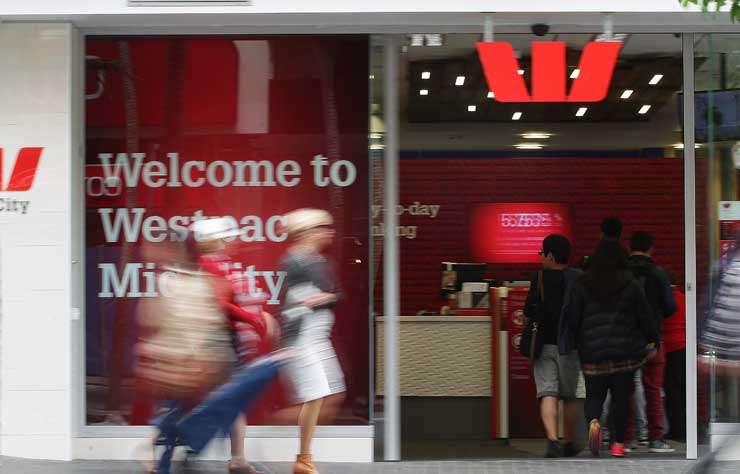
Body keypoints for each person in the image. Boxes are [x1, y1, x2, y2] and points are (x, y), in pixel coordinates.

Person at [192, 218, 278, 474]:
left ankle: (238, 457)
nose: (234, 242)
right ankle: (158, 447)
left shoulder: (218, 265)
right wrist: (254, 319)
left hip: (221, 340)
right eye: (229, 238)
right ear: (218, 241)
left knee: (233, 398)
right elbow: (220, 305)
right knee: (214, 398)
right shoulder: (210, 265)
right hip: (216, 341)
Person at [565, 239, 659, 458]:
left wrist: (577, 340)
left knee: (594, 395)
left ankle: (595, 422)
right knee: (621, 398)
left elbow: (573, 318)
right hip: (624, 352)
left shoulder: (582, 283)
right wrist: (653, 340)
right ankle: (617, 444)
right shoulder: (630, 283)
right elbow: (644, 316)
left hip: (592, 352)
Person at [279, 208, 346, 474]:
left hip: (319, 338)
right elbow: (291, 307)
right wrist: (313, 301)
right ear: (308, 232)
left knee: (333, 395)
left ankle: (286, 432)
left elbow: (337, 294)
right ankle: (303, 458)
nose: (329, 232)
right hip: (303, 339)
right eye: (323, 228)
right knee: (317, 395)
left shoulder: (320, 261)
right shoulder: (295, 261)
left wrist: (323, 299)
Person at [523, 234, 582, 458]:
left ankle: (551, 440)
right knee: (568, 396)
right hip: (569, 345)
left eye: (542, 253)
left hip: (544, 344)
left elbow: (529, 310)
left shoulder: (538, 278)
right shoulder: (578, 278)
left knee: (547, 392)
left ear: (550, 255)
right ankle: (567, 441)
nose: (541, 258)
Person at [624, 231, 677, 453]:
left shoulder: (622, 271)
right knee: (653, 389)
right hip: (653, 340)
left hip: (625, 340)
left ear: (630, 248)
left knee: (625, 389)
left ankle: (625, 440)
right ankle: (656, 439)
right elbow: (671, 307)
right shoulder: (658, 273)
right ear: (651, 248)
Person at [663, 281, 686, 441]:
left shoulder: (663, 298)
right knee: (684, 390)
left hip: (666, 347)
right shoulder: (683, 297)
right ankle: (686, 428)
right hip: (681, 346)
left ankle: (676, 429)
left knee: (671, 392)